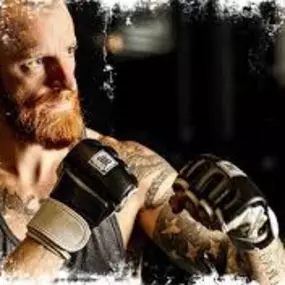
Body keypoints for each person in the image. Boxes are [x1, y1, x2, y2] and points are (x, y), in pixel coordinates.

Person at [0, 0, 283, 284]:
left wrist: (257, 234)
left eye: (70, 51)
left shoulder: (131, 170)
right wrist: (60, 226)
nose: (67, 81)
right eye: (35, 62)